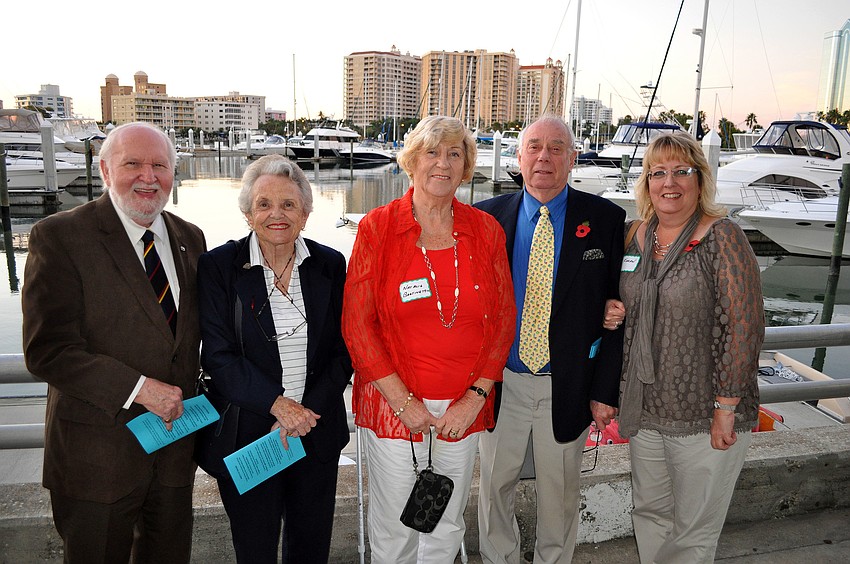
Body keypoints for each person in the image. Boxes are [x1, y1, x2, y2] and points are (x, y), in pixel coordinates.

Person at [21, 121, 206, 563]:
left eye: (160, 165)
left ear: (173, 173)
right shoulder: (60, 236)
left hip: (174, 454)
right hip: (96, 461)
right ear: (105, 171)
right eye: (133, 164)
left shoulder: (190, 238)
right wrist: (139, 388)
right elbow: (48, 349)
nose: (148, 176)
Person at [342, 115, 515, 563]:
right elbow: (357, 326)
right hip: (395, 407)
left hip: (464, 408)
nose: (443, 163)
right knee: (396, 526)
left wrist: (476, 397)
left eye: (454, 154)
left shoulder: (486, 230)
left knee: (445, 522)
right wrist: (404, 403)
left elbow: (502, 320)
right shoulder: (378, 229)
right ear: (411, 161)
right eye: (432, 152)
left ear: (466, 165)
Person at [475, 114, 626, 564]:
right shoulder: (485, 218)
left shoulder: (606, 219)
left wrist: (603, 391)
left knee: (559, 494)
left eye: (557, 148)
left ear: (572, 159)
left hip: (568, 384)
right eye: (535, 147)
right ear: (519, 158)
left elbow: (620, 307)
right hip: (500, 380)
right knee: (494, 487)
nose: (544, 156)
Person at [609, 131, 764, 563]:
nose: (669, 182)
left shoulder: (724, 237)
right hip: (646, 407)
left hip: (704, 411)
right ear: (646, 182)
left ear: (700, 179)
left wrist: (726, 406)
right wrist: (611, 308)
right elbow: (616, 298)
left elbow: (744, 326)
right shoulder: (633, 236)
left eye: (681, 171)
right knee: (651, 512)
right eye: (658, 172)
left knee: (694, 530)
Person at [195, 154, 352, 563]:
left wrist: (305, 413)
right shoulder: (219, 267)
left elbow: (344, 350)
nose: (276, 215)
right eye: (264, 204)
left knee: (310, 546)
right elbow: (218, 355)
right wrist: (278, 406)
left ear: (306, 212)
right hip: (249, 436)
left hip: (315, 433)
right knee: (255, 547)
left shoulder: (330, 265)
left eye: (288, 204)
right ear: (247, 213)